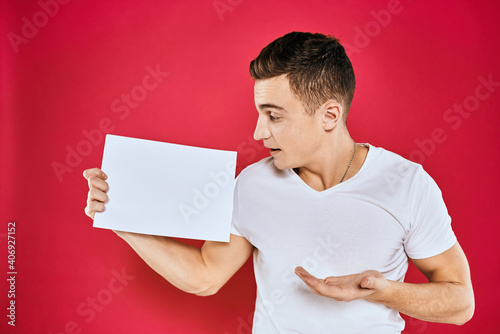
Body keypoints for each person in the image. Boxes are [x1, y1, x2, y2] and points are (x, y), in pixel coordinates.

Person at [83, 32, 474, 333]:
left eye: (274, 116)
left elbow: (460, 303)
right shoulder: (252, 185)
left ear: (329, 115)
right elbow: (205, 276)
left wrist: (383, 290)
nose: (257, 132)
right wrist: (121, 219)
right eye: (259, 113)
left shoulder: (406, 185)